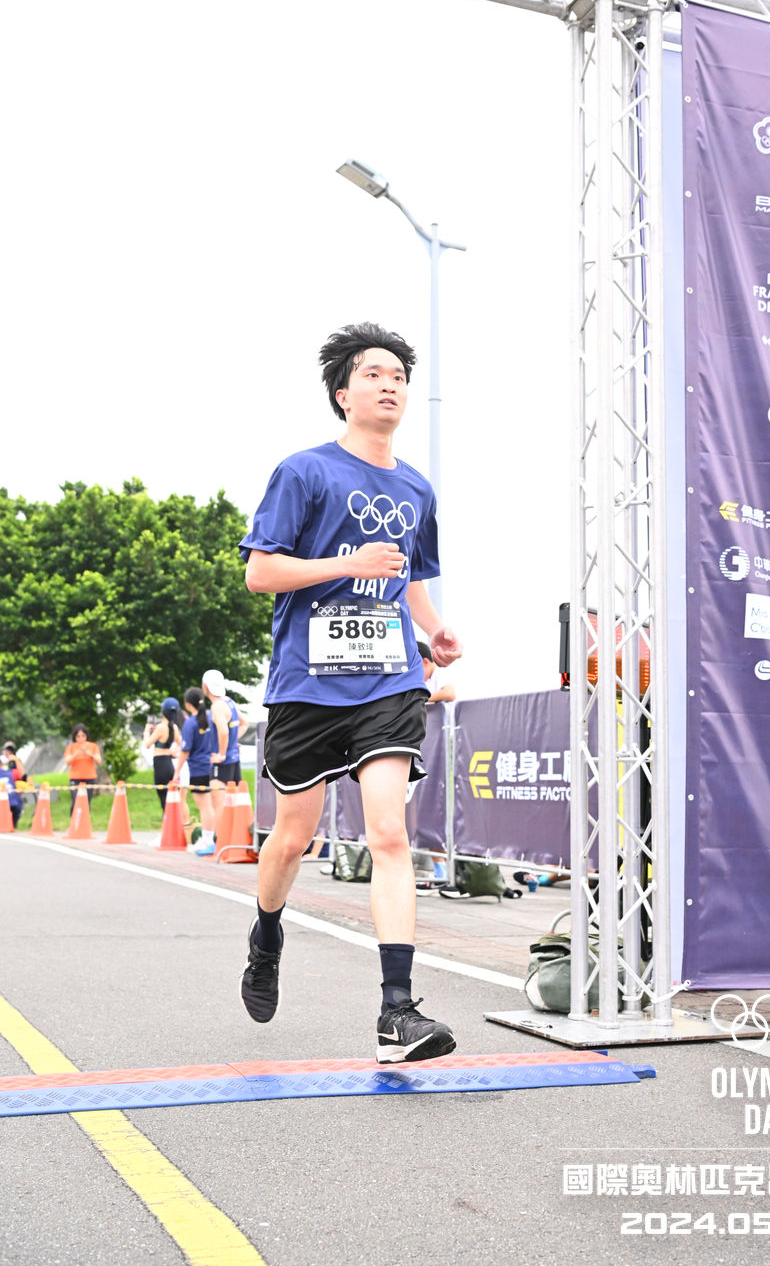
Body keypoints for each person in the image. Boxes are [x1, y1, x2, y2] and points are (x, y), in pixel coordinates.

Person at [238, 321, 462, 1063]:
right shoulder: (304, 472)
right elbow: (261, 573)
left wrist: (433, 630)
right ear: (343, 393)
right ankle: (267, 934)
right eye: (373, 374)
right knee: (292, 839)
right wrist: (346, 563)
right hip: (307, 682)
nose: (389, 384)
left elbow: (410, 575)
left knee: (389, 834)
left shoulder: (417, 488)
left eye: (398, 376)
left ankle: (397, 1012)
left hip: (389, 681)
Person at [201, 668, 249, 830]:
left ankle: (219, 841)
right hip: (234, 761)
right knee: (232, 804)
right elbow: (244, 723)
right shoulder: (229, 701)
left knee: (219, 806)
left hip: (222, 763)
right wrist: (233, 743)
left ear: (205, 686)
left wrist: (222, 754)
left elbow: (223, 731)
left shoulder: (217, 706)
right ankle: (232, 839)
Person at [174, 688, 217, 856]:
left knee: (205, 807)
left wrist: (177, 771)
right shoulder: (212, 718)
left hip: (198, 769)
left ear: (187, 704)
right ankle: (212, 838)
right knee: (212, 806)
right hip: (213, 767)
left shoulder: (190, 723)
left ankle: (208, 840)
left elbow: (185, 750)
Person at [143, 697, 183, 812]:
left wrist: (146, 731)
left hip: (160, 764)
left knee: (163, 797)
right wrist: (173, 751)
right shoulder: (174, 727)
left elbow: (147, 744)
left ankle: (168, 821)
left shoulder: (161, 727)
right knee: (172, 796)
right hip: (169, 764)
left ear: (163, 711)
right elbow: (181, 744)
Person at [63, 724, 101, 816]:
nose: (81, 738)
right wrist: (76, 753)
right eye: (78, 736)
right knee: (76, 799)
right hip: (75, 778)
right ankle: (73, 818)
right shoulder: (71, 747)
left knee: (87, 801)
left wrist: (88, 753)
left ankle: (85, 820)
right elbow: (67, 761)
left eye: (83, 736)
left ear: (86, 736)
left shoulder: (93, 746)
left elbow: (99, 761)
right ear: (75, 737)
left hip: (90, 777)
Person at [0, 743, 24, 827]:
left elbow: (19, 775)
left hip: (12, 793)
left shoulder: (12, 760)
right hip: (12, 795)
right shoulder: (13, 760)